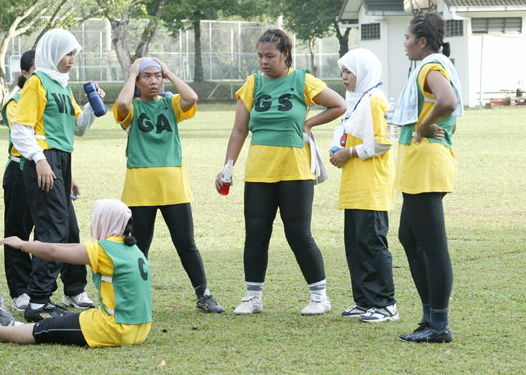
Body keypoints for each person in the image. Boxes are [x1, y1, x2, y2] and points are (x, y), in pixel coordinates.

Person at [216, 29, 346, 315]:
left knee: (298, 234)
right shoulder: (252, 84)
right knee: (255, 235)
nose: (263, 62)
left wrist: (309, 123)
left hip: (295, 171)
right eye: (260, 56)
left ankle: (320, 297)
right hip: (259, 171)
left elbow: (339, 105)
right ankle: (253, 297)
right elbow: (239, 130)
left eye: (270, 56)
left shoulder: (302, 80)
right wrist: (228, 166)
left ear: (285, 55)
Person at [114, 57, 225, 313]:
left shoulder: (171, 103)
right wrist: (132, 73)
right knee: (138, 246)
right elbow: (122, 104)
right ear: (138, 81)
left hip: (174, 185)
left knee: (186, 243)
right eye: (146, 76)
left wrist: (170, 73)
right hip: (140, 187)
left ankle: (204, 295)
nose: (153, 81)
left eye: (157, 76)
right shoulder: (132, 108)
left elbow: (192, 98)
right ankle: (134, 298)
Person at [0, 199, 153, 347]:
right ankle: (12, 326)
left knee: (47, 328)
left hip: (116, 328)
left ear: (104, 221)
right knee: (61, 321)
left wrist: (23, 244)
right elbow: (73, 247)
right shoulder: (131, 249)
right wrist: (37, 245)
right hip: (138, 328)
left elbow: (53, 253)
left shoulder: (105, 250)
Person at [11, 29, 102, 321]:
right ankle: (38, 300)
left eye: (74, 54)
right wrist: (40, 160)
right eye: (67, 53)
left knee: (67, 229)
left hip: (61, 159)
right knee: (53, 229)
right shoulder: (37, 82)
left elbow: (77, 128)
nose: (72, 59)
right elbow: (20, 130)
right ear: (52, 53)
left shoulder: (62, 85)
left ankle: (58, 294)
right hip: (44, 158)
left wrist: (91, 106)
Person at [394, 12, 463, 343]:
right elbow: (448, 115)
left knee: (434, 248)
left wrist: (422, 126)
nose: (405, 44)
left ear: (422, 41)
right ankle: (429, 318)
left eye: (407, 38)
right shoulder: (437, 66)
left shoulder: (429, 67)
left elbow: (447, 101)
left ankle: (439, 326)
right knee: (409, 238)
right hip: (422, 163)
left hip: (425, 164)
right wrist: (425, 123)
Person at [329, 48, 398, 323]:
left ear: (364, 72)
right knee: (356, 244)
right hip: (354, 185)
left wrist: (350, 152)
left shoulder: (376, 100)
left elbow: (384, 141)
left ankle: (385, 304)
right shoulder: (357, 100)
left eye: (349, 72)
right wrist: (339, 150)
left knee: (372, 245)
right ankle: (364, 301)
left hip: (371, 186)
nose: (344, 77)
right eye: (343, 72)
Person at [0, 50, 36, 312]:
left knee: (55, 231)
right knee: (18, 232)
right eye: (36, 69)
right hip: (21, 170)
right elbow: (26, 134)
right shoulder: (15, 102)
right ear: (24, 73)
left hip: (50, 169)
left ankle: (51, 289)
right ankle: (20, 291)